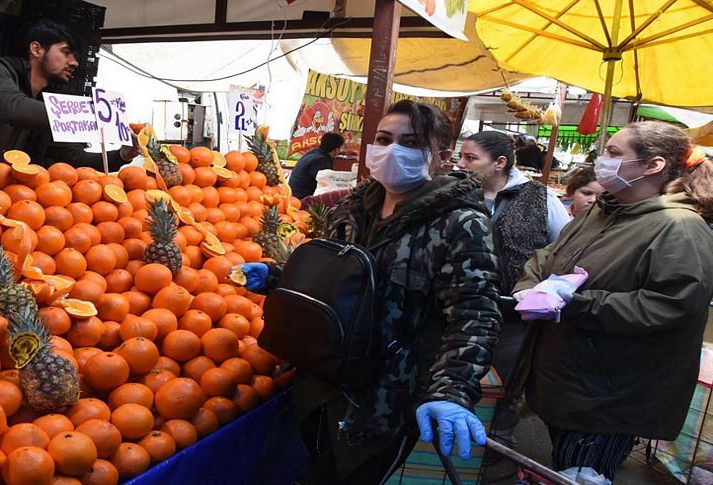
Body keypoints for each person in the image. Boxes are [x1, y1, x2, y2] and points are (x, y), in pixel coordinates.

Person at [243, 100, 501, 483]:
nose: (393, 149)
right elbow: (335, 280)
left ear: (442, 156)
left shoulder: (459, 224)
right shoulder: (353, 207)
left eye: (411, 143)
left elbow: (474, 315)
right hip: (321, 378)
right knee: (311, 470)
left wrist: (452, 391)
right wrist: (278, 277)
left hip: (386, 398)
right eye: (384, 139)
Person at [512, 121, 713, 481]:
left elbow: (671, 306)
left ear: (653, 165)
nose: (602, 160)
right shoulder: (599, 210)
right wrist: (528, 286)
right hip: (566, 379)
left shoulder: (679, 227)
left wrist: (578, 303)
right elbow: (549, 255)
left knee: (582, 472)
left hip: (609, 395)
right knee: (561, 466)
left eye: (614, 154)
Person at [455, 131, 569, 464]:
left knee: (504, 385)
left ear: (500, 163)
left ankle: (496, 453)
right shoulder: (456, 191)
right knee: (459, 375)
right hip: (460, 308)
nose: (461, 164)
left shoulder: (539, 198)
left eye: (470, 158)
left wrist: (537, 289)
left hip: (512, 316)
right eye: (460, 157)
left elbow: (561, 249)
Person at [0, 20, 139, 174]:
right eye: (66, 52)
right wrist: (98, 116)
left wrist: (122, 155)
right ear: (37, 49)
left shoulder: (44, 104)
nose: (74, 62)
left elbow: (72, 158)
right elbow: (12, 108)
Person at [288, 132, 345, 199]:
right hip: (301, 200)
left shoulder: (314, 153)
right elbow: (327, 187)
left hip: (293, 195)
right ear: (336, 150)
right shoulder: (321, 161)